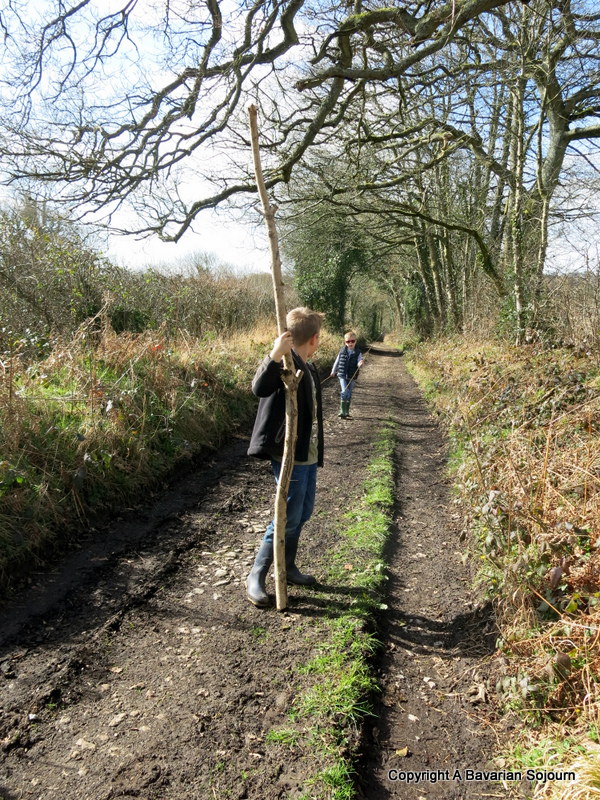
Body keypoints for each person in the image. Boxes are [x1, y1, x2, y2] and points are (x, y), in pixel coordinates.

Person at [245, 307, 324, 608]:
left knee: (303, 512)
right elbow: (258, 388)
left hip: (308, 452)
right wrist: (274, 354)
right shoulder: (285, 366)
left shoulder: (309, 366)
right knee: (285, 516)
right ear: (315, 339)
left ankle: (287, 567)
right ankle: (257, 575)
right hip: (288, 452)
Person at [330, 331, 364, 419]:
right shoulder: (342, 351)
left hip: (352, 376)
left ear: (355, 341)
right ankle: (341, 411)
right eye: (348, 341)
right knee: (344, 391)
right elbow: (337, 362)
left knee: (349, 393)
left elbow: (359, 361)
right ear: (345, 342)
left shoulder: (358, 352)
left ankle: (346, 411)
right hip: (342, 375)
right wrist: (333, 371)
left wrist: (360, 363)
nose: (350, 343)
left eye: (352, 341)